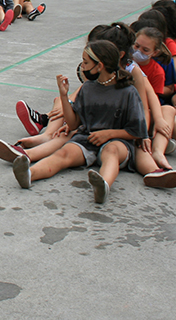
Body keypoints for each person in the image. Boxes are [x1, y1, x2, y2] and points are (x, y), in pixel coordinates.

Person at [10, 41, 152, 204]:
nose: (82, 67)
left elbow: (137, 130)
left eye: (85, 62)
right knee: (63, 153)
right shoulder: (88, 88)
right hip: (88, 138)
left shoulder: (128, 92)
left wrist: (108, 134)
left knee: (111, 151)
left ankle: (103, 185)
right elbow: (74, 124)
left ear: (99, 66)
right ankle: (29, 174)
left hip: (119, 141)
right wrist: (64, 96)